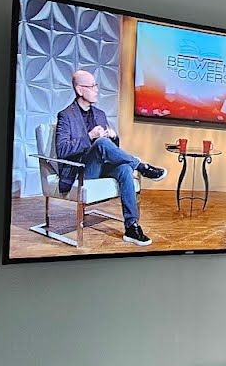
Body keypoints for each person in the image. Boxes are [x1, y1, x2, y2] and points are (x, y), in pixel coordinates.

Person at [55, 69, 165, 246]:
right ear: (79, 89)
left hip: (101, 166)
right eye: (91, 86)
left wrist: (113, 137)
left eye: (96, 85)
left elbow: (113, 150)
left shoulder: (100, 114)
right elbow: (62, 149)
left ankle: (132, 227)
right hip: (81, 171)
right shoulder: (66, 116)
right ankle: (142, 167)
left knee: (124, 168)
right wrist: (90, 136)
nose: (96, 89)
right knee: (100, 143)